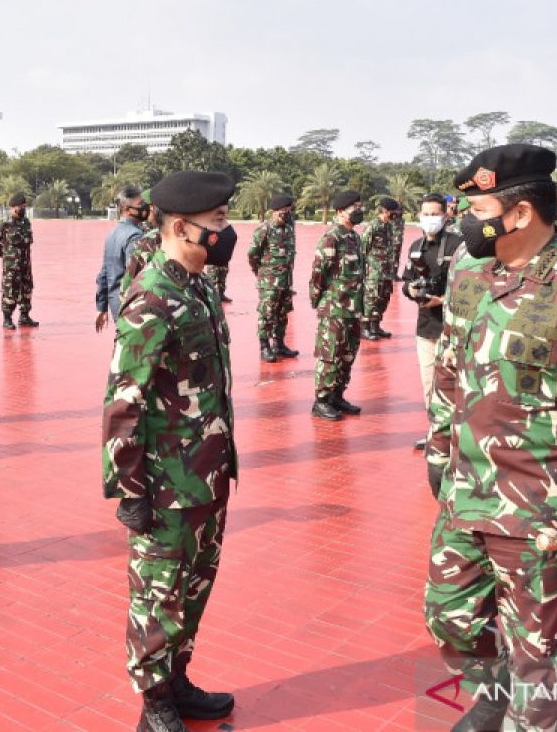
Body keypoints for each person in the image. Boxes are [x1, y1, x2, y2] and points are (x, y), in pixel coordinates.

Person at [425, 144, 557, 731]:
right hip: (465, 492)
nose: (463, 217)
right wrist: (439, 446)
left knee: (539, 654)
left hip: (539, 507)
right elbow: (449, 368)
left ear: (518, 214)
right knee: (449, 618)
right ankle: (492, 696)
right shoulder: (469, 273)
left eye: (477, 205)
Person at [101, 170, 238, 732]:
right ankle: (153, 701)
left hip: (206, 473)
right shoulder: (152, 296)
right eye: (218, 222)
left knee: (195, 587)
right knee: (158, 596)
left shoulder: (199, 284)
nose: (226, 232)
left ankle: (176, 677)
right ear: (181, 227)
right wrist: (127, 488)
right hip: (165, 482)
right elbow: (122, 403)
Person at [401, 194, 460, 450]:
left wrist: (444, 300)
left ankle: (458, 439)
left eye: (435, 214)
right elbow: (406, 282)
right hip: (425, 328)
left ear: (446, 216)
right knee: (429, 385)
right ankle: (436, 435)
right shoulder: (415, 247)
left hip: (454, 329)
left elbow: (472, 288)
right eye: (425, 214)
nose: (430, 219)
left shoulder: (460, 246)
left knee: (456, 385)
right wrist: (411, 291)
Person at [309, 190, 366, 420]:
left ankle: (337, 395)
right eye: (355, 207)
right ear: (341, 211)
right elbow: (318, 274)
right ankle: (321, 400)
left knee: (348, 354)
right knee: (330, 355)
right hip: (334, 308)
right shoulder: (332, 237)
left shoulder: (354, 237)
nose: (359, 211)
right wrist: (319, 301)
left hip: (353, 308)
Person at [247, 192, 298, 362]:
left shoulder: (289, 229)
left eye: (289, 211)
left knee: (282, 314)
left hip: (286, 280)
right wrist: (261, 273)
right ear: (275, 211)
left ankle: (279, 344)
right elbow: (253, 254)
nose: (288, 214)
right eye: (285, 211)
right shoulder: (264, 230)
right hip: (269, 281)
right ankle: (264, 347)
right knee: (267, 313)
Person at [95, 186, 149, 331]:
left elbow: (104, 274)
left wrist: (101, 307)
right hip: (132, 305)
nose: (144, 207)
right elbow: (137, 276)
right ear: (126, 209)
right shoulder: (135, 236)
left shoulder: (112, 234)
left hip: (116, 304)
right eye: (140, 204)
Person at [0, 195, 36, 329]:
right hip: (11, 266)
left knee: (27, 289)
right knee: (10, 291)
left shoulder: (26, 222)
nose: (23, 208)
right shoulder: (4, 224)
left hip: (26, 264)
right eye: (20, 206)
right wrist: (6, 256)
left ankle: (24, 316)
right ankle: (7, 318)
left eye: (24, 206)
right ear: (12, 207)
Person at [361, 198, 397, 340]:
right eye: (393, 212)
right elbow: (363, 249)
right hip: (373, 271)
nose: (396, 214)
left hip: (386, 271)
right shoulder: (373, 226)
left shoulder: (388, 227)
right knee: (371, 299)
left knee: (383, 298)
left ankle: (375, 326)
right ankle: (365, 328)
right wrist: (364, 271)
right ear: (385, 211)